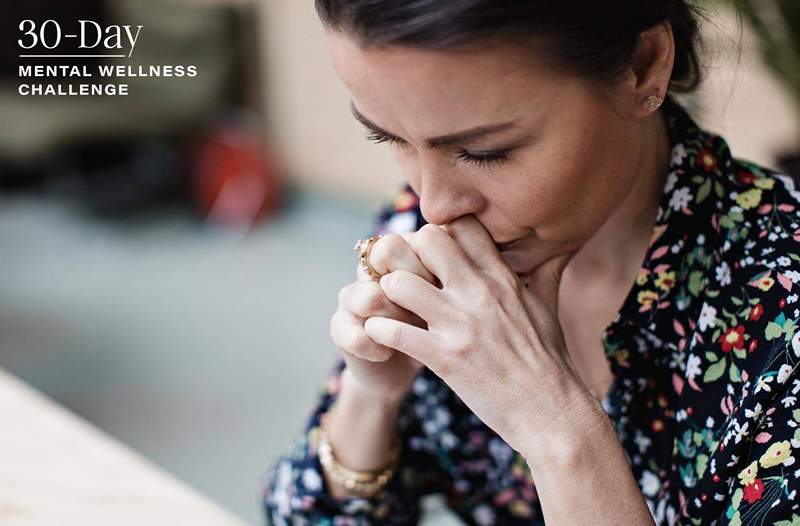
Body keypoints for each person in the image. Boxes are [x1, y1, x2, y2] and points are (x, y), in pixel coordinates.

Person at [261, 1, 800, 524]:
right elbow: (301, 514)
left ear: (643, 66)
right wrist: (372, 398)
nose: (435, 204)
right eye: (390, 137)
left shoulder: (782, 305)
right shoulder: (425, 227)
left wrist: (556, 427)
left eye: (487, 151)